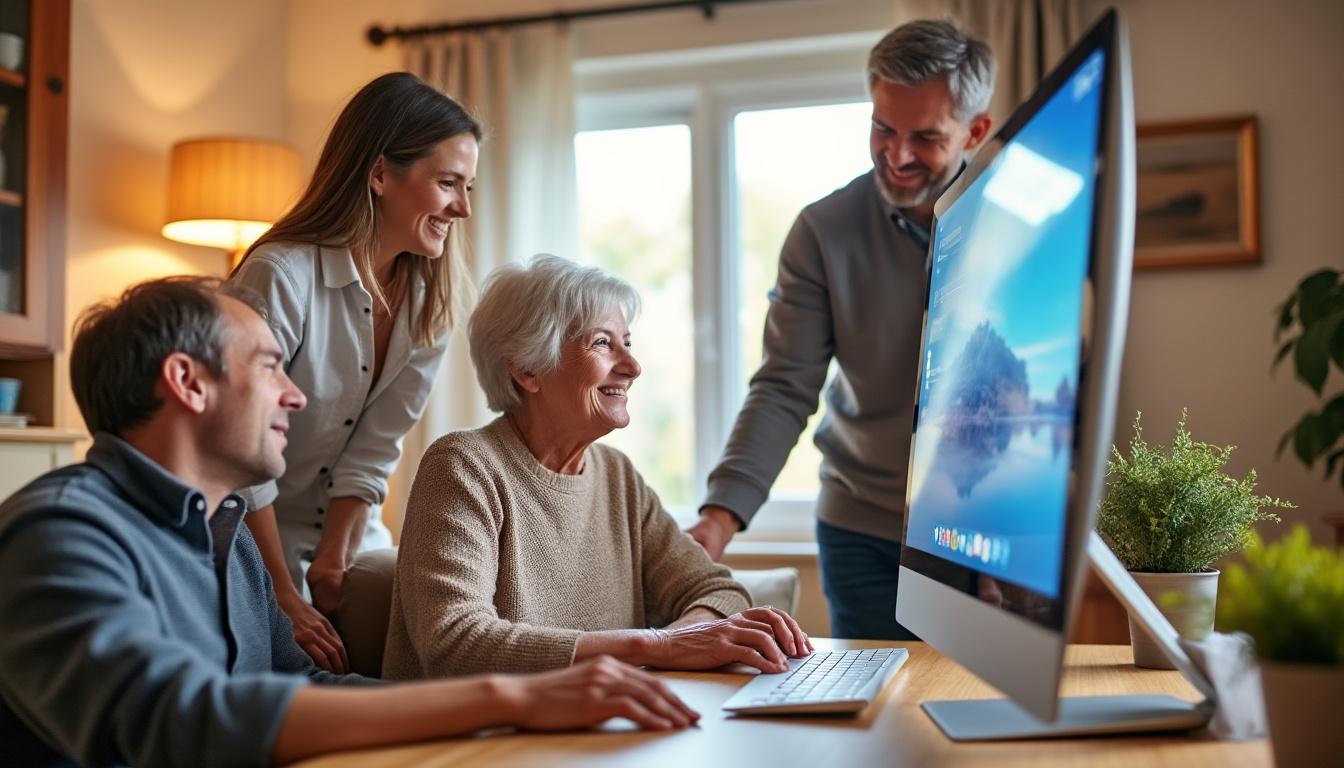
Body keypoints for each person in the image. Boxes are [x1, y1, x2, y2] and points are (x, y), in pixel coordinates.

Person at [0, 277, 698, 767]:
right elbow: (173, 719)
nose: (296, 396)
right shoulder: (59, 535)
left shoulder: (230, 536)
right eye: (270, 367)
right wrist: (509, 696)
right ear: (188, 382)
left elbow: (304, 686)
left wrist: (519, 715)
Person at [687, 20, 996, 640]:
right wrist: (719, 519)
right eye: (883, 129)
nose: (897, 156)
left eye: (925, 137)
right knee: (881, 698)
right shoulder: (823, 232)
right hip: (864, 531)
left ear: (975, 131)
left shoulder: (1018, 219)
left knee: (987, 697)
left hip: (993, 527)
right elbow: (784, 386)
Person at [382, 256, 812, 680]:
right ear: (527, 369)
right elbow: (455, 643)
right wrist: (659, 646)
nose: (632, 367)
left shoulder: (616, 475)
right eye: (603, 343)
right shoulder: (463, 467)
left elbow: (719, 590)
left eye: (628, 342)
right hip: (477, 726)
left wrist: (684, 642)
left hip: (602, 718)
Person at [229, 72, 478, 672]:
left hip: (351, 537)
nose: (463, 208)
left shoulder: (430, 303)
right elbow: (237, 450)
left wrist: (333, 561)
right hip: (250, 539)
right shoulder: (279, 276)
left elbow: (375, 448)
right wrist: (283, 594)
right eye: (448, 183)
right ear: (380, 174)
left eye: (468, 187)